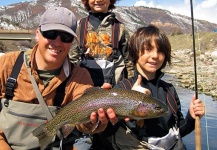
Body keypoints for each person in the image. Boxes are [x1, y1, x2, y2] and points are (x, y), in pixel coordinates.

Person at [0, 7, 117, 150]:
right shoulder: (7, 64)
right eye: (51, 33)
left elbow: (82, 125)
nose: (57, 42)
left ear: (72, 41)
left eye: (65, 37)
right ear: (38, 34)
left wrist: (94, 120)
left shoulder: (80, 76)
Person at [91, 25, 205, 150]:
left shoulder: (170, 90)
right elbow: (106, 134)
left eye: (160, 51)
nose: (155, 55)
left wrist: (192, 118)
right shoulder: (121, 88)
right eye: (148, 49)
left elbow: (179, 132)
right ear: (135, 52)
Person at [69, 0, 133, 87]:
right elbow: (72, 60)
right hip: (84, 87)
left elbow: (129, 62)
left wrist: (131, 84)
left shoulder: (120, 28)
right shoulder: (80, 27)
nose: (98, 0)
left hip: (114, 88)